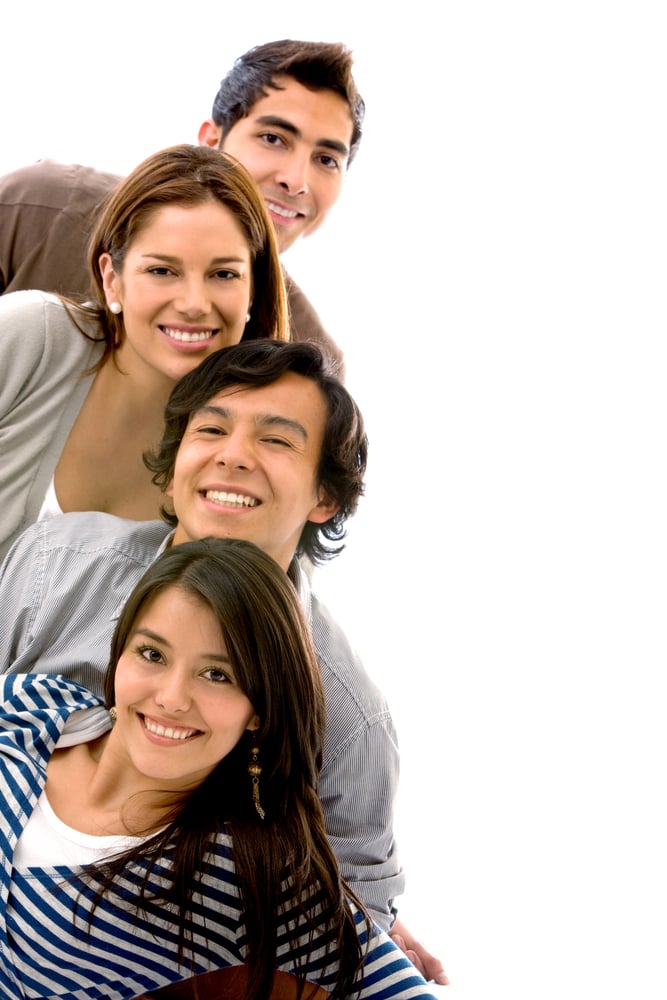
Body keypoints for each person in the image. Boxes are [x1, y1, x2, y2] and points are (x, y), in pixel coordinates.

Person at [0, 339, 448, 985]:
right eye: (210, 428)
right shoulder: (54, 561)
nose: (231, 456)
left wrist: (364, 937)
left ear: (325, 496)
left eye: (276, 441)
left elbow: (337, 932)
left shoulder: (350, 717)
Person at [0, 536, 440, 1000]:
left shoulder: (243, 874)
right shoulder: (37, 706)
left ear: (258, 710)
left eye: (217, 675)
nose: (170, 697)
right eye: (152, 654)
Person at [0, 142, 288, 562]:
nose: (194, 303)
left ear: (252, 291)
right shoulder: (31, 337)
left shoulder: (246, 455)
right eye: (162, 271)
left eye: (223, 274)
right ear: (112, 278)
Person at [0, 38, 363, 371]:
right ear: (211, 139)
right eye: (273, 138)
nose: (297, 181)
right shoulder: (39, 211)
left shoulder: (304, 362)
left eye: (327, 159)